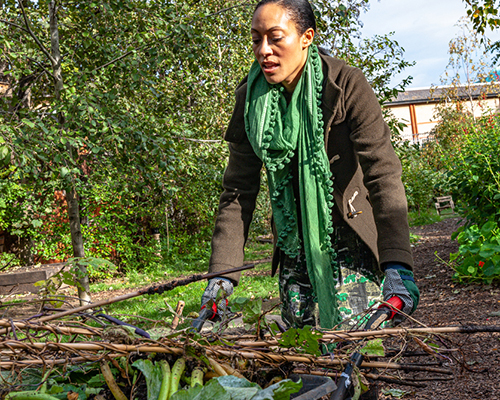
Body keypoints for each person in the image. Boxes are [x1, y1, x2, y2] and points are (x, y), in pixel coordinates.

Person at [200, 0, 419, 330]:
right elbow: (237, 191)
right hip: (293, 240)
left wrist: (397, 263)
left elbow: (382, 173)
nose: (264, 50)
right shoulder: (250, 101)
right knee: (303, 343)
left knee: (356, 341)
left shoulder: (346, 85)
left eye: (275, 37)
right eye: (256, 39)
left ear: (306, 37)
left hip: (349, 234)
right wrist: (222, 276)